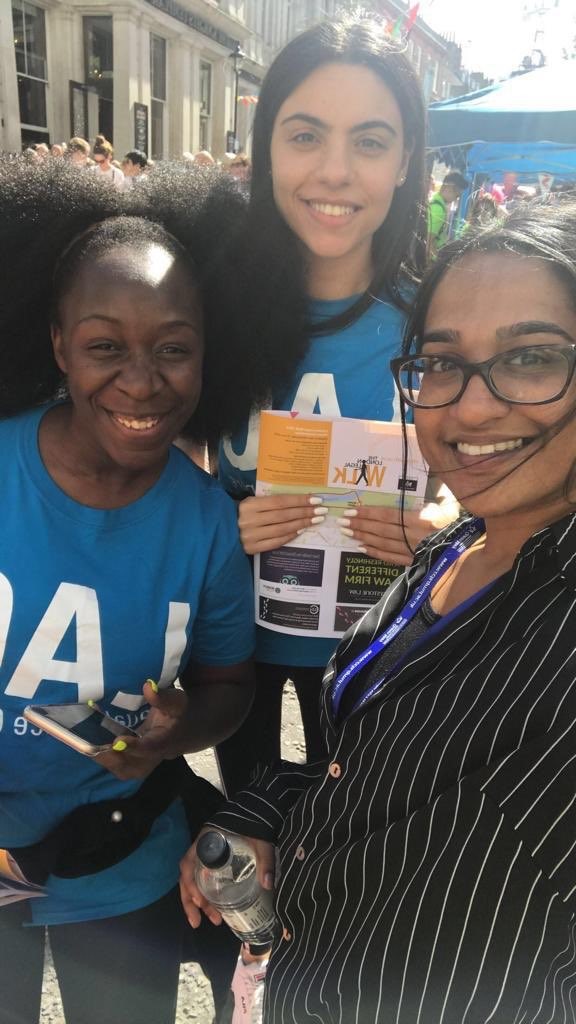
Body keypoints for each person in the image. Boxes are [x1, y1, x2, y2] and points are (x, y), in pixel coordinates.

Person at [182, 197, 576, 1023]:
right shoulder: (454, 547)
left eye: (532, 357)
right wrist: (265, 813)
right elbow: (375, 776)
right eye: (440, 362)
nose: (470, 406)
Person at [0, 160, 256, 1024]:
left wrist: (175, 733)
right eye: (106, 345)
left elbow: (229, 683)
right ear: (58, 344)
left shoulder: (208, 525)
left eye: (173, 348)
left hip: (118, 857)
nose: (142, 382)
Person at [215, 17, 457, 797]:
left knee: (348, 872)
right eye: (306, 135)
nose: (336, 171)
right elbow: (146, 458)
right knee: (236, 856)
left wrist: (440, 532)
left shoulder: (439, 325)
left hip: (375, 660)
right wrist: (217, 523)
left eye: (372, 141)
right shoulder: (204, 312)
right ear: (266, 147)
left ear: (405, 165)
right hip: (226, 661)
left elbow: (482, 480)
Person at [427, 169, 468, 256]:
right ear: (449, 188)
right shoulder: (438, 210)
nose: (456, 199)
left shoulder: (436, 203)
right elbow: (428, 243)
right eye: (457, 195)